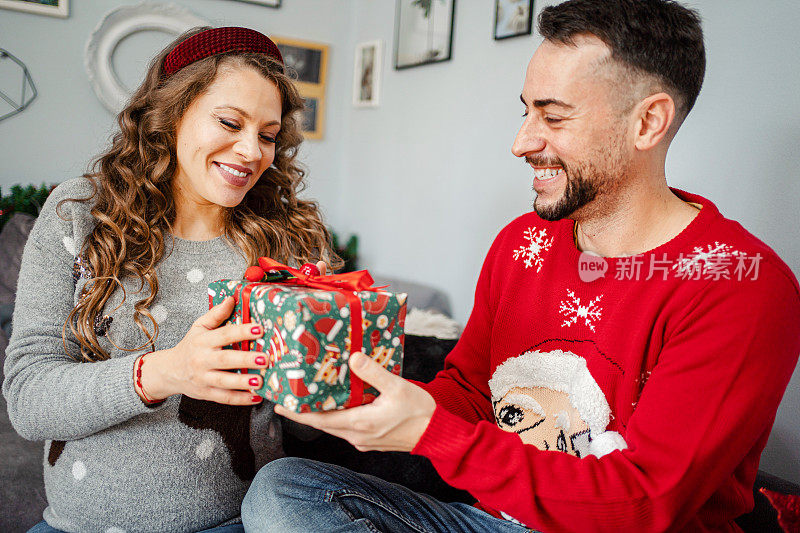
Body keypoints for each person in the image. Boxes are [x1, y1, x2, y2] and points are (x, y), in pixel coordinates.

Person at [241, 0, 800, 531]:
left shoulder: (740, 285)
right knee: (282, 490)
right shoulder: (522, 242)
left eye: (553, 118)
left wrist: (430, 433)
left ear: (648, 122)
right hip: (488, 520)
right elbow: (470, 388)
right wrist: (380, 403)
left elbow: (644, 505)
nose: (521, 142)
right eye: (526, 110)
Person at [2, 26, 338, 532]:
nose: (251, 152)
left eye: (267, 135)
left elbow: (306, 424)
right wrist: (166, 372)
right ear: (172, 111)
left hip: (236, 522)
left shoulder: (288, 241)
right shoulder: (80, 213)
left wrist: (331, 373)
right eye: (230, 121)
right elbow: (28, 400)